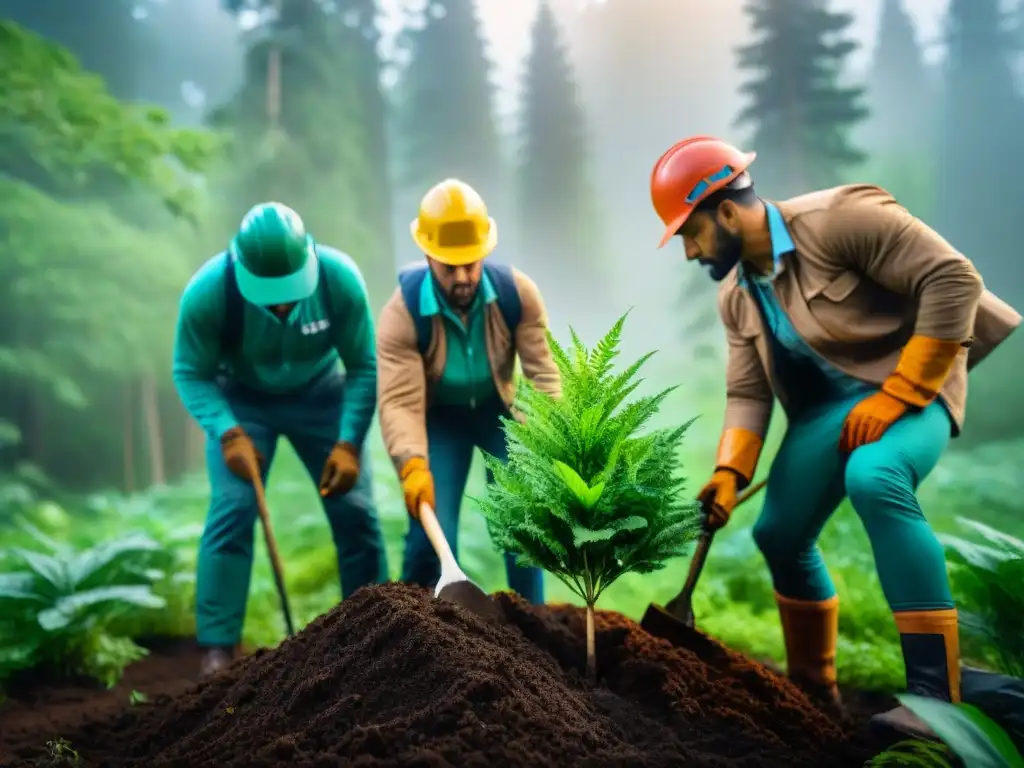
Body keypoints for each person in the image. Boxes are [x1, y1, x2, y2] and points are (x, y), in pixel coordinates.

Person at [649, 136, 1021, 737]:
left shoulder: (841, 219)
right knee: (778, 532)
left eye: (689, 233)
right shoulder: (736, 296)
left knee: (875, 477)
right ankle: (812, 694)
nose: (689, 251)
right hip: (828, 412)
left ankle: (937, 695)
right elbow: (748, 394)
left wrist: (900, 391)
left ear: (723, 211)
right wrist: (728, 473)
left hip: (914, 383)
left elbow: (954, 279)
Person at [172, 201, 387, 676]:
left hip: (322, 397)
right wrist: (227, 432)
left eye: (289, 291)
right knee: (232, 509)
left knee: (355, 509)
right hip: (243, 402)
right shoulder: (210, 293)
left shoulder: (338, 280)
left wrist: (350, 442)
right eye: (269, 295)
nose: (283, 304)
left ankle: (376, 633)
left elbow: (364, 367)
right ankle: (217, 649)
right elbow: (191, 372)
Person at [376, 178, 561, 604]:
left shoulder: (518, 295)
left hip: (503, 414)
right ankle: (416, 633)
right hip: (441, 420)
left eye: (471, 264)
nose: (462, 277)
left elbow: (543, 375)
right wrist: (412, 463)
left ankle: (532, 623)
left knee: (523, 525)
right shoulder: (401, 312)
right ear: (427, 257)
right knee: (429, 533)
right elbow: (400, 400)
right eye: (448, 266)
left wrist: (553, 440)